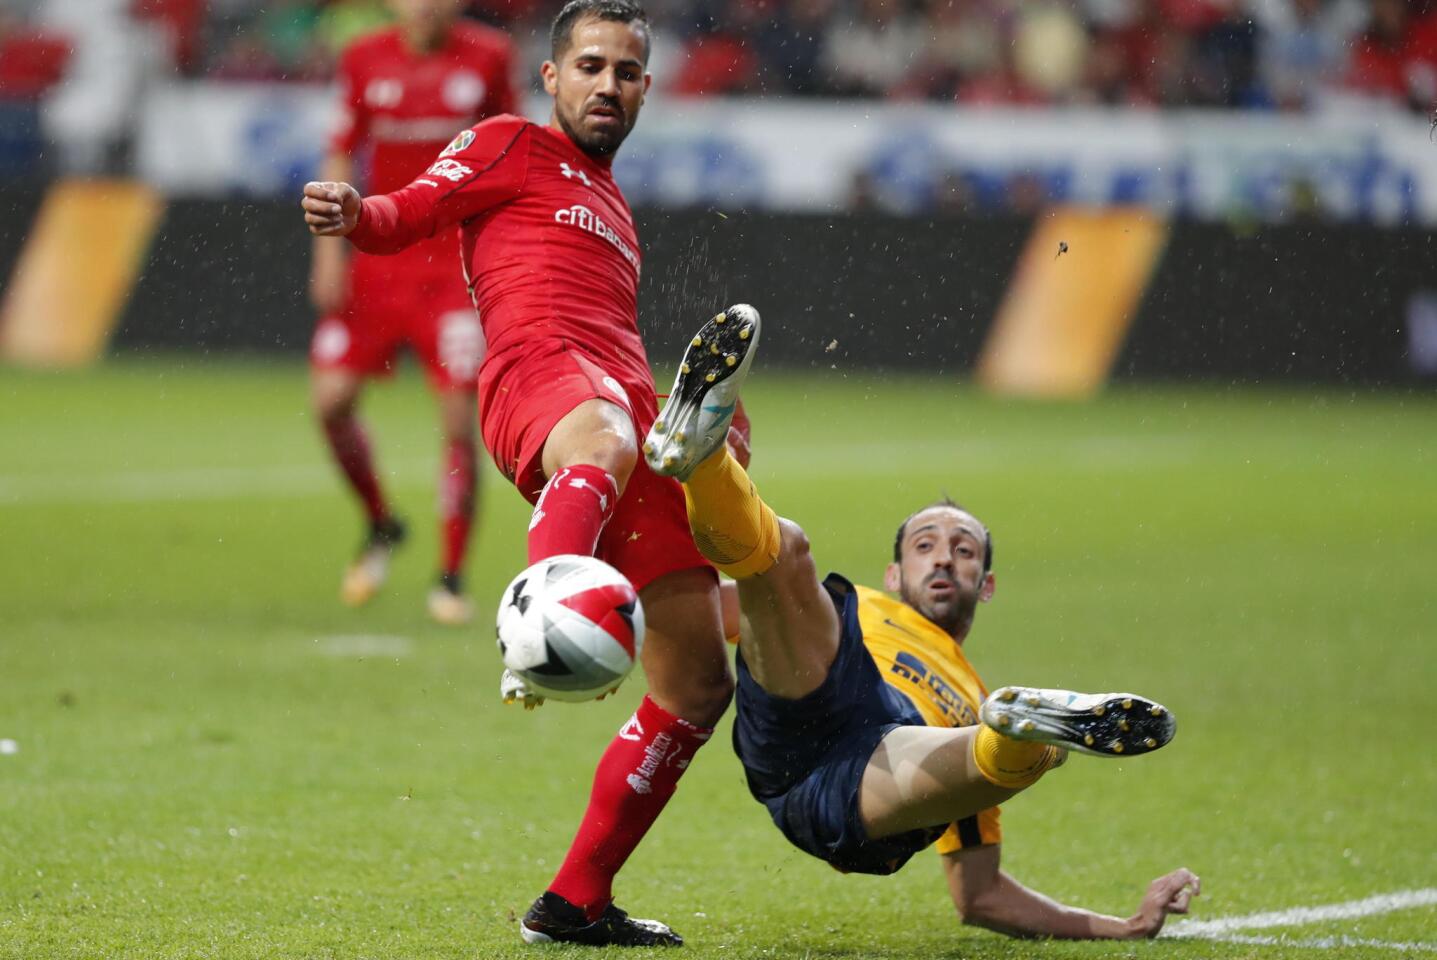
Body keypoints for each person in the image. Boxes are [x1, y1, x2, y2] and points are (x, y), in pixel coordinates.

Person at [301, 0, 743, 945]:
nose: (607, 86)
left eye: (625, 72)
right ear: (552, 78)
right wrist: (354, 213)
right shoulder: (508, 143)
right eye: (589, 67)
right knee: (601, 437)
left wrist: (703, 424)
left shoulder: (616, 207)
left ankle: (575, 900)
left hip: (624, 407)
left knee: (701, 683)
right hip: (540, 378)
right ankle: (537, 615)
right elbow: (408, 211)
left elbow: (616, 338)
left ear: (646, 90)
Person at [644, 314, 1202, 940]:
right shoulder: (859, 603)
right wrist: (606, 628)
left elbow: (980, 894)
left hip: (876, 778)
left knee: (983, 747)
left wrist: (1123, 928)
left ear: (985, 585)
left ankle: (1033, 737)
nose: (943, 557)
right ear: (894, 572)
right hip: (816, 695)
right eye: (926, 545)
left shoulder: (973, 694)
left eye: (964, 551)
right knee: (789, 554)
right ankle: (702, 458)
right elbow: (688, 614)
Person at [308, 0, 515, 625]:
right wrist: (327, 254)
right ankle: (381, 522)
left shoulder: (489, 56)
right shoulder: (362, 57)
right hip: (375, 256)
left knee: (457, 416)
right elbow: (342, 151)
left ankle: (450, 577)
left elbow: (511, 153)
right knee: (331, 403)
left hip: (450, 267)